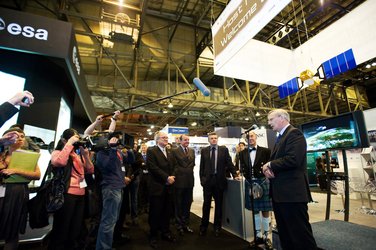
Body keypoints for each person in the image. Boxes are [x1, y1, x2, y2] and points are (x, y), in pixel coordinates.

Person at [262, 109, 317, 250]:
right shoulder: (280, 137)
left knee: (300, 236)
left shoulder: (294, 134)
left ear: (282, 118)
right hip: (281, 195)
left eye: (271, 119)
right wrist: (269, 171)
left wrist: (269, 164)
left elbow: (293, 159)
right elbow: (281, 161)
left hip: (292, 195)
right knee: (286, 235)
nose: (269, 123)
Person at [48, 128, 94, 250]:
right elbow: (59, 162)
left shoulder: (77, 155)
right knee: (62, 227)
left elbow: (90, 169)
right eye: (74, 138)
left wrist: (85, 155)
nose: (76, 140)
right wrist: (68, 144)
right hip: (67, 195)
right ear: (64, 140)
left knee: (75, 227)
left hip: (81, 194)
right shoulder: (58, 152)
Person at [0, 127, 40, 250]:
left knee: (13, 230)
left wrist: (16, 170)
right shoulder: (1, 153)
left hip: (18, 195)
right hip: (2, 194)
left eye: (22, 136)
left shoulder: (28, 156)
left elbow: (37, 175)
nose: (20, 138)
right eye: (16, 136)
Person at [199, 132, 239, 237]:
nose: (214, 139)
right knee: (206, 205)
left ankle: (217, 227)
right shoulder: (204, 151)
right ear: (208, 140)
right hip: (207, 182)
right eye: (211, 138)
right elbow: (202, 167)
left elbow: (229, 163)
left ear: (217, 139)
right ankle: (204, 226)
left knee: (219, 206)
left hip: (219, 182)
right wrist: (202, 180)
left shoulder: (223, 150)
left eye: (215, 138)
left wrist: (234, 174)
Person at [239, 131, 272, 249]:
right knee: (255, 210)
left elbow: (270, 166)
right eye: (248, 137)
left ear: (256, 137)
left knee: (265, 210)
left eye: (252, 136)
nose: (250, 138)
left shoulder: (266, 151)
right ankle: (258, 237)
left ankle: (266, 236)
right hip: (250, 182)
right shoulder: (242, 153)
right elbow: (242, 167)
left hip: (263, 181)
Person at [95, 133, 128, 250]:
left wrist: (127, 148)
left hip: (118, 187)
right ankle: (103, 247)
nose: (117, 142)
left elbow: (130, 160)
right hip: (110, 188)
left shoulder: (118, 152)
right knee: (108, 221)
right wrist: (113, 149)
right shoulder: (101, 154)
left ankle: (105, 246)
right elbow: (109, 166)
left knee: (113, 220)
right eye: (115, 140)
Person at [147, 131, 177, 248]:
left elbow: (175, 166)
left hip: (169, 187)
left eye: (166, 137)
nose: (166, 139)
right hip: (157, 187)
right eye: (163, 137)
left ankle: (166, 232)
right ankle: (153, 235)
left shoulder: (170, 151)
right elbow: (153, 167)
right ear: (157, 140)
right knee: (155, 212)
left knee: (167, 211)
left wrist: (172, 176)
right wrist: (166, 177)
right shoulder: (151, 150)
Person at [171, 134, 195, 236]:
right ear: (180, 141)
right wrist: (185, 169)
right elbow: (174, 166)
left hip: (189, 182)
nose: (187, 141)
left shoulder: (192, 151)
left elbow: (192, 164)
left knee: (187, 204)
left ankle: (185, 224)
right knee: (179, 204)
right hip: (179, 182)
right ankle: (179, 225)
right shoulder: (174, 151)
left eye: (188, 140)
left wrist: (185, 168)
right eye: (185, 140)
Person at [138, 143, 149, 214]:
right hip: (140, 176)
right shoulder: (138, 156)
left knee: (147, 192)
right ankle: (140, 207)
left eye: (145, 147)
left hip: (148, 176)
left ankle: (147, 207)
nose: (144, 148)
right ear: (141, 148)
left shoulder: (149, 156)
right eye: (143, 147)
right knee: (140, 192)